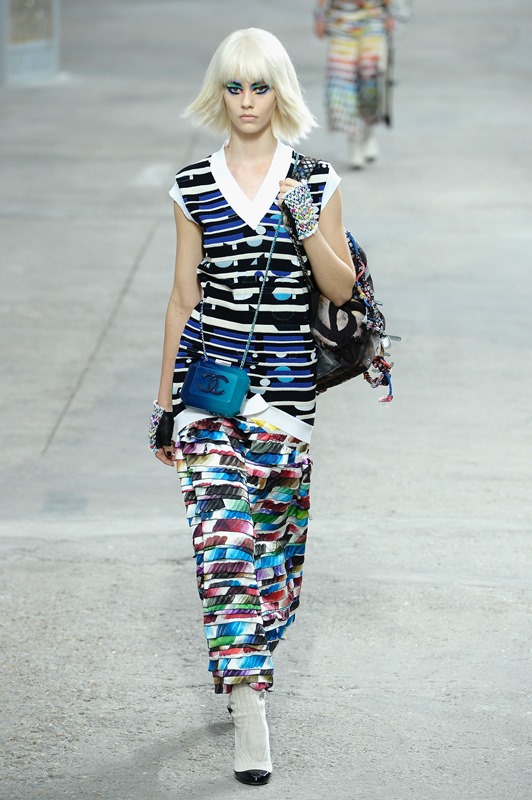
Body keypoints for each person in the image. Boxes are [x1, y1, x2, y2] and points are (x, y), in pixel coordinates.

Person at [148, 27, 355, 786]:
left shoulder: (316, 180)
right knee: (224, 546)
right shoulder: (192, 185)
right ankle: (250, 710)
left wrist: (302, 217)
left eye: (259, 87)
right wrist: (164, 406)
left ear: (279, 93)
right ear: (219, 93)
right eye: (234, 87)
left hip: (287, 403)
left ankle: (248, 664)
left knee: (274, 563)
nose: (245, 101)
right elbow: (182, 296)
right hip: (208, 397)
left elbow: (339, 289)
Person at [314, 0, 396, 169]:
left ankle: (368, 132)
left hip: (373, 18)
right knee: (342, 83)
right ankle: (353, 140)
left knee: (370, 81)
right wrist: (320, 16)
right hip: (341, 20)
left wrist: (391, 13)